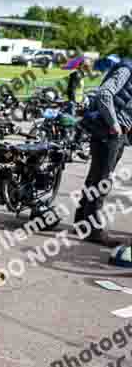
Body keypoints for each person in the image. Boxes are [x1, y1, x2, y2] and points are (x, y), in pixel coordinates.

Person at [74, 58, 132, 246]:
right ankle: (93, 230)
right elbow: (104, 93)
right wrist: (114, 123)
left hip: (117, 132)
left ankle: (81, 222)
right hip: (109, 131)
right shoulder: (127, 70)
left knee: (95, 178)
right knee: (102, 181)